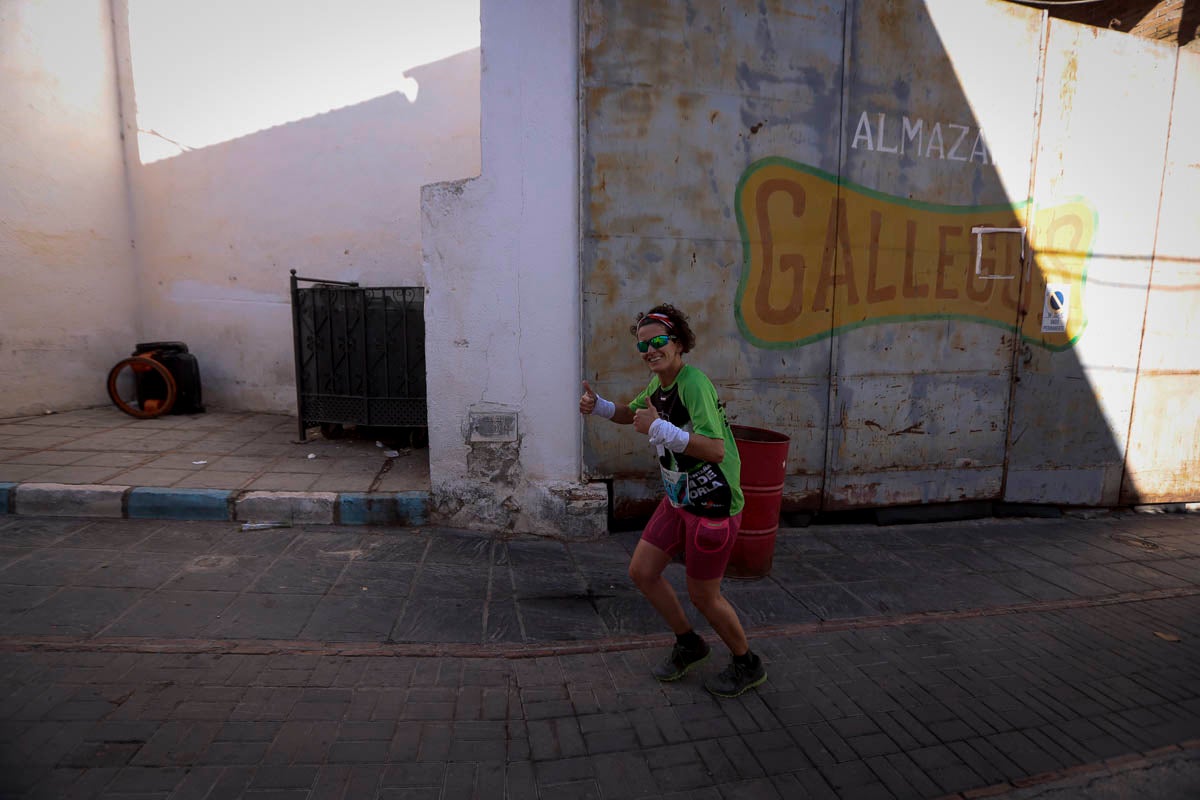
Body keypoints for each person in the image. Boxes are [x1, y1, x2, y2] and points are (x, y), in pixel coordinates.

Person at [579, 303, 766, 698]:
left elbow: (715, 451)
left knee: (704, 595)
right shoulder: (659, 386)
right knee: (642, 572)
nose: (650, 350)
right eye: (643, 345)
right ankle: (689, 643)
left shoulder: (693, 383)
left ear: (678, 343)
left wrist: (661, 428)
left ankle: (747, 663)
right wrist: (600, 407)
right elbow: (633, 414)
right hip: (678, 500)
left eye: (659, 341)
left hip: (712, 505)